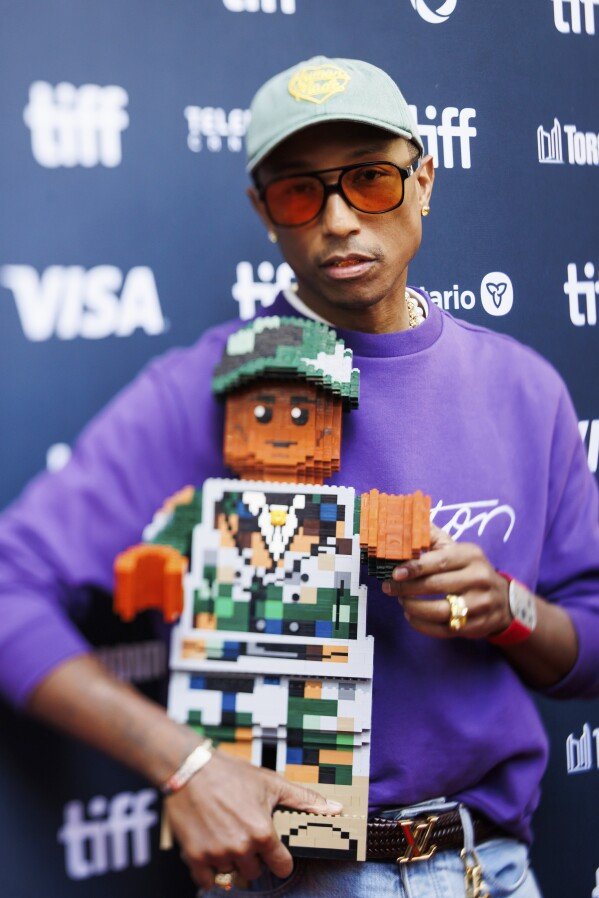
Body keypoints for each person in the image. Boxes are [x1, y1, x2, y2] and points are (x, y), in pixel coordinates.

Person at [0, 55, 598, 898]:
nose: (341, 218)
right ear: (264, 212)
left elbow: (589, 642)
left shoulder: (524, 389)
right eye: (299, 192)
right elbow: (8, 587)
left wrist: (509, 611)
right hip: (293, 873)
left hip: (485, 865)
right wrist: (187, 764)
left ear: (424, 180)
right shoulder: (206, 388)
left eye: (371, 179)